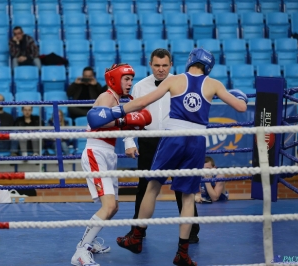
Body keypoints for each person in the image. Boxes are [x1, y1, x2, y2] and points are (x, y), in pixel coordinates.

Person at [87, 48, 248, 266]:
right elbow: (240, 106)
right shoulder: (215, 84)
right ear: (208, 66)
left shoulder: (176, 81)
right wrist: (241, 97)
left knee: (152, 186)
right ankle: (182, 253)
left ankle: (136, 237)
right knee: (188, 196)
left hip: (172, 138)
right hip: (196, 140)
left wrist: (116, 112)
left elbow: (141, 103)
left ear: (187, 61)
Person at [71, 63, 152, 266]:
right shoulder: (107, 97)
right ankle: (80, 252)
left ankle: (88, 243)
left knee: (113, 207)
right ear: (115, 79)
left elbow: (117, 121)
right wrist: (127, 120)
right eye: (126, 79)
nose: (130, 83)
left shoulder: (117, 99)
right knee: (107, 207)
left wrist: (128, 132)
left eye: (131, 79)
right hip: (96, 152)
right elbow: (97, 121)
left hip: (107, 153)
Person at [122, 48, 200, 243]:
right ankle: (137, 231)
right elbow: (132, 117)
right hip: (149, 140)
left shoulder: (182, 84)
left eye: (164, 65)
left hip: (176, 138)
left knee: (183, 186)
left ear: (171, 65)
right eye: (157, 65)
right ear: (150, 65)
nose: (161, 69)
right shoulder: (140, 86)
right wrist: (129, 141)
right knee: (144, 186)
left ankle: (191, 231)